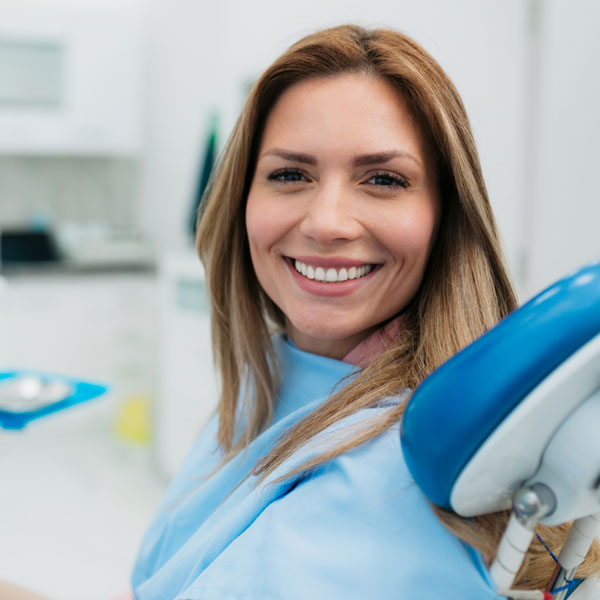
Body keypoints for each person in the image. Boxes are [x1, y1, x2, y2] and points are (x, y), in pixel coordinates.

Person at [1, 23, 597, 600]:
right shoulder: (273, 380)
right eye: (290, 174)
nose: (326, 223)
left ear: (447, 218)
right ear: (242, 201)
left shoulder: (390, 481)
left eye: (383, 179)